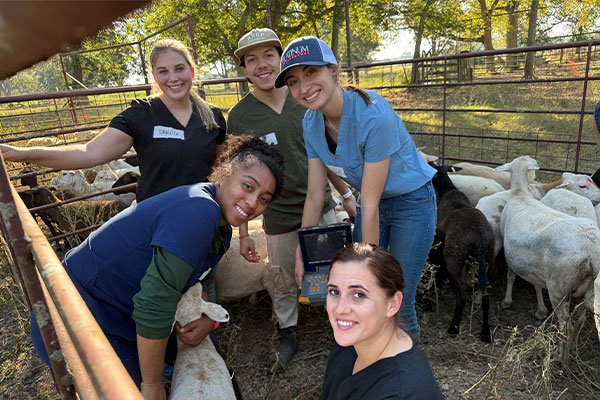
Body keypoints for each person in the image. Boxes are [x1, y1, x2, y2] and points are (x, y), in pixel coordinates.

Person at [29, 135, 284, 398]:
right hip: (76, 319)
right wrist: (151, 385)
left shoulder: (221, 230)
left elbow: (187, 286)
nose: (253, 203)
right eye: (247, 186)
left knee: (204, 352)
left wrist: (210, 322)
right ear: (222, 174)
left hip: (119, 315)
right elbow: (154, 304)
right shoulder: (200, 211)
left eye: (264, 199)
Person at [274, 36, 437, 344]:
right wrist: (303, 249)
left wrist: (363, 273)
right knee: (365, 296)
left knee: (392, 294)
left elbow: (371, 204)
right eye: (293, 81)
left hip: (411, 203)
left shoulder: (374, 115)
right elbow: (314, 194)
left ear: (333, 70)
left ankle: (403, 374)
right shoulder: (310, 123)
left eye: (311, 73)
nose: (303, 87)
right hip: (371, 204)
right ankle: (371, 357)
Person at [227, 28, 356, 369]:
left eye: (269, 55)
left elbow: (323, 154)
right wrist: (242, 232)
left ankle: (341, 326)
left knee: (335, 269)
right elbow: (242, 176)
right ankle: (287, 331)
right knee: (283, 276)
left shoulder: (305, 99)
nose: (261, 65)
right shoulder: (240, 117)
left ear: (281, 59)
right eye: (251, 60)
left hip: (322, 206)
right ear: (244, 69)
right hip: (279, 214)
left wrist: (345, 193)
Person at [0, 38, 227, 203]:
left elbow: (220, 170)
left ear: (192, 71)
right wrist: (24, 153)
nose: (173, 78)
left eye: (180, 69)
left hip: (202, 214)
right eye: (163, 71)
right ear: (154, 76)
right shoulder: (141, 114)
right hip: (155, 216)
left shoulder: (213, 117)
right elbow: (88, 153)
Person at [321, 243, 444, 399]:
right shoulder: (350, 340)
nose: (340, 309)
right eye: (334, 291)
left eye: (359, 295)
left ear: (392, 304)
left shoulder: (400, 393)